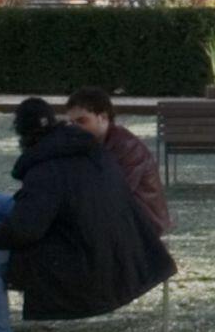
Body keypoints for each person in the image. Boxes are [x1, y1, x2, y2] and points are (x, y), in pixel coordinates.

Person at [0, 96, 175, 332]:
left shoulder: (47, 168)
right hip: (105, 239)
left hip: (81, 255)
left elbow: (26, 230)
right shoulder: (89, 149)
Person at [63, 89, 170, 237]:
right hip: (120, 218)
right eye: (71, 123)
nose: (75, 128)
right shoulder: (91, 143)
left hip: (142, 223)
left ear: (103, 117)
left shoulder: (127, 146)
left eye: (82, 121)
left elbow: (115, 192)